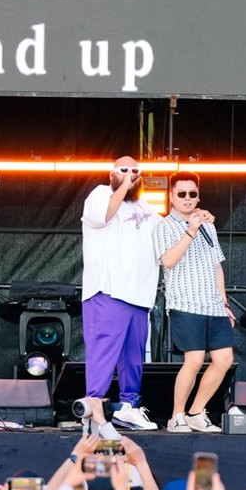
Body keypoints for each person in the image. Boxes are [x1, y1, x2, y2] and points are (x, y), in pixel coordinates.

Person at [80, 156, 161, 431]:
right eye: (124, 170)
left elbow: (164, 240)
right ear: (112, 173)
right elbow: (102, 216)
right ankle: (93, 410)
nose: (130, 174)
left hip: (139, 294)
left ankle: (128, 407)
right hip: (108, 290)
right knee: (103, 353)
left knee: (133, 357)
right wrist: (124, 185)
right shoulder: (100, 194)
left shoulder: (146, 207)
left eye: (135, 171)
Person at [152, 171, 235, 433]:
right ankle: (176, 416)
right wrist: (190, 231)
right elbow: (168, 261)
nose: (187, 198)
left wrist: (224, 303)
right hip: (186, 303)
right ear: (171, 197)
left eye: (192, 194)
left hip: (213, 304)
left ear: (198, 196)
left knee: (224, 359)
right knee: (195, 360)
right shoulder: (164, 226)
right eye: (181, 194)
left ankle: (197, 412)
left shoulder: (208, 225)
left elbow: (217, 266)